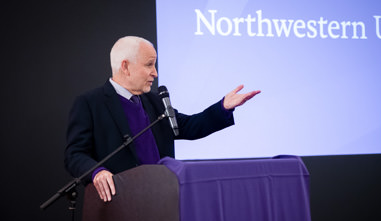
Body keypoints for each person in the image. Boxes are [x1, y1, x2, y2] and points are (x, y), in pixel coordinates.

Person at [64, 36, 260, 202]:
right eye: (149, 64)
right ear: (125, 66)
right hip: (119, 204)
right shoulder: (90, 103)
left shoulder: (154, 101)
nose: (155, 73)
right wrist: (97, 172)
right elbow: (75, 155)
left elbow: (189, 126)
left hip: (162, 200)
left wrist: (223, 107)